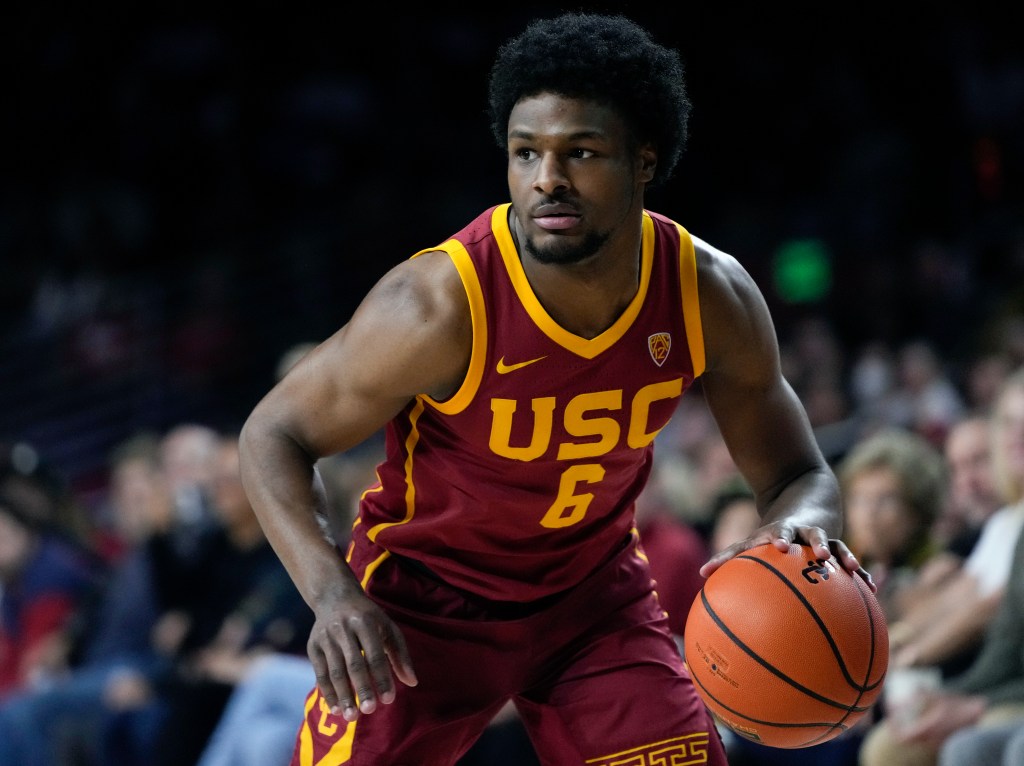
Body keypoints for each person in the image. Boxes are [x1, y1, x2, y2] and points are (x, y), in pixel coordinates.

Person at [238, 13, 870, 765]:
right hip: (421, 608)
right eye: (526, 152)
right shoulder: (438, 303)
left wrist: (800, 525)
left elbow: (800, 474)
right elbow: (271, 434)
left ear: (644, 161)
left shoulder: (708, 295)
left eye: (582, 152)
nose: (548, 178)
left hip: (591, 602)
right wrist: (331, 594)